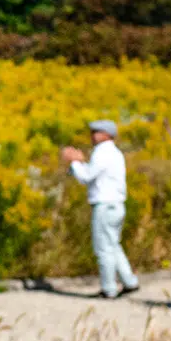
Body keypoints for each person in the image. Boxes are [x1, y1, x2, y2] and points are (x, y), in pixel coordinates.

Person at [62, 119, 140, 299]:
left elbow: (86, 176)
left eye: (95, 132)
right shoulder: (115, 153)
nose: (92, 136)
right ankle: (129, 281)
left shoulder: (102, 152)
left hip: (104, 205)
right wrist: (80, 162)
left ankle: (109, 289)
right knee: (113, 245)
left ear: (106, 134)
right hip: (117, 204)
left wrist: (74, 162)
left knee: (103, 248)